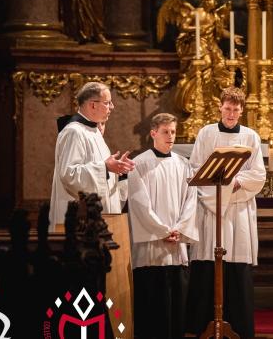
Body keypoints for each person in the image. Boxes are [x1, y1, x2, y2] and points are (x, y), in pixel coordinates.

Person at [185, 87, 266, 338]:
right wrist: (225, 186)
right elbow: (196, 168)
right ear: (220, 107)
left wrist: (233, 184)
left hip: (238, 209)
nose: (231, 113)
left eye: (236, 109)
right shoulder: (206, 133)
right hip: (211, 210)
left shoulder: (251, 137)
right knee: (208, 262)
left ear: (242, 111)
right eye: (227, 108)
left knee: (236, 264)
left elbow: (258, 174)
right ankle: (201, 326)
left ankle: (239, 327)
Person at [128, 113, 198, 339]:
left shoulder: (184, 165)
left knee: (176, 305)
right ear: (153, 133)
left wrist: (179, 228)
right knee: (153, 306)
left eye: (174, 132)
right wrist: (162, 231)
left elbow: (191, 200)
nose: (171, 136)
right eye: (166, 131)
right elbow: (139, 204)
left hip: (176, 246)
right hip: (151, 248)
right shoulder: (139, 164)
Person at [49, 82, 134, 231]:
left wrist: (118, 171)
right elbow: (70, 174)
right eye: (107, 103)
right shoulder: (74, 132)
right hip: (81, 221)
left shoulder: (93, 132)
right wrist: (105, 168)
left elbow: (101, 173)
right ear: (92, 105)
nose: (112, 107)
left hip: (98, 220)